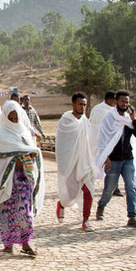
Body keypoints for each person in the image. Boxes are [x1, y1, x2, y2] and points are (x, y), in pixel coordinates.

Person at [0, 100, 45, 257]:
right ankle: (8, 243)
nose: (13, 120)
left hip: (23, 179)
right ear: (5, 117)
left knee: (24, 212)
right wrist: (13, 159)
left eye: (15, 117)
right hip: (6, 182)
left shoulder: (24, 133)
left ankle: (25, 243)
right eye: (10, 117)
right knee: (5, 212)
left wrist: (29, 156)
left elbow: (31, 150)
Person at [95, 90, 136, 228]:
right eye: (122, 101)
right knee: (109, 188)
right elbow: (103, 138)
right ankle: (101, 206)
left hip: (127, 158)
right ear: (116, 101)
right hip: (114, 159)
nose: (125, 104)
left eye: (127, 102)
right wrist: (105, 157)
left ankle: (132, 216)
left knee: (131, 186)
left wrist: (133, 118)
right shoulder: (109, 118)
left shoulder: (128, 119)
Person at [55, 93, 99, 232]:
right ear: (73, 105)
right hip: (70, 164)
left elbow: (89, 141)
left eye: (85, 105)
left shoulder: (85, 121)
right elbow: (62, 145)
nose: (83, 107)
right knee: (71, 195)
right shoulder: (65, 122)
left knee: (89, 191)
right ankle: (62, 204)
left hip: (85, 162)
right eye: (80, 104)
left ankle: (86, 220)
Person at [90, 91, 124, 197]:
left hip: (114, 142)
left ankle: (114, 186)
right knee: (109, 164)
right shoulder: (99, 110)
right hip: (103, 142)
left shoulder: (113, 110)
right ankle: (111, 187)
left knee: (114, 165)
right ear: (110, 100)